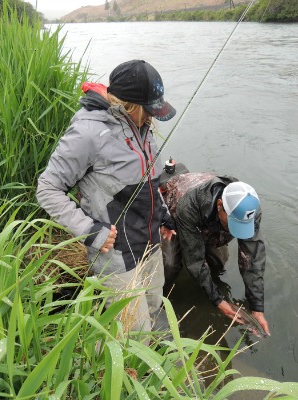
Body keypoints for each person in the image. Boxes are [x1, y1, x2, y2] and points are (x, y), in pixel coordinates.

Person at [36, 60, 176, 334]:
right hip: (116, 256)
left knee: (154, 307)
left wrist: (164, 217)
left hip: (150, 246)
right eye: (148, 110)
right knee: (132, 333)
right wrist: (89, 231)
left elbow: (148, 181)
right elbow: (47, 188)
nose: (151, 118)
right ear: (129, 105)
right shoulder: (88, 133)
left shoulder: (143, 128)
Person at [160, 171, 270, 336]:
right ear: (220, 205)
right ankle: (161, 299)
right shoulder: (188, 205)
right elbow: (195, 260)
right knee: (169, 265)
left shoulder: (249, 209)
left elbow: (252, 259)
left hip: (211, 221)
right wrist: (218, 301)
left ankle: (209, 284)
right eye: (234, 223)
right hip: (178, 214)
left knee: (219, 260)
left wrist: (257, 307)